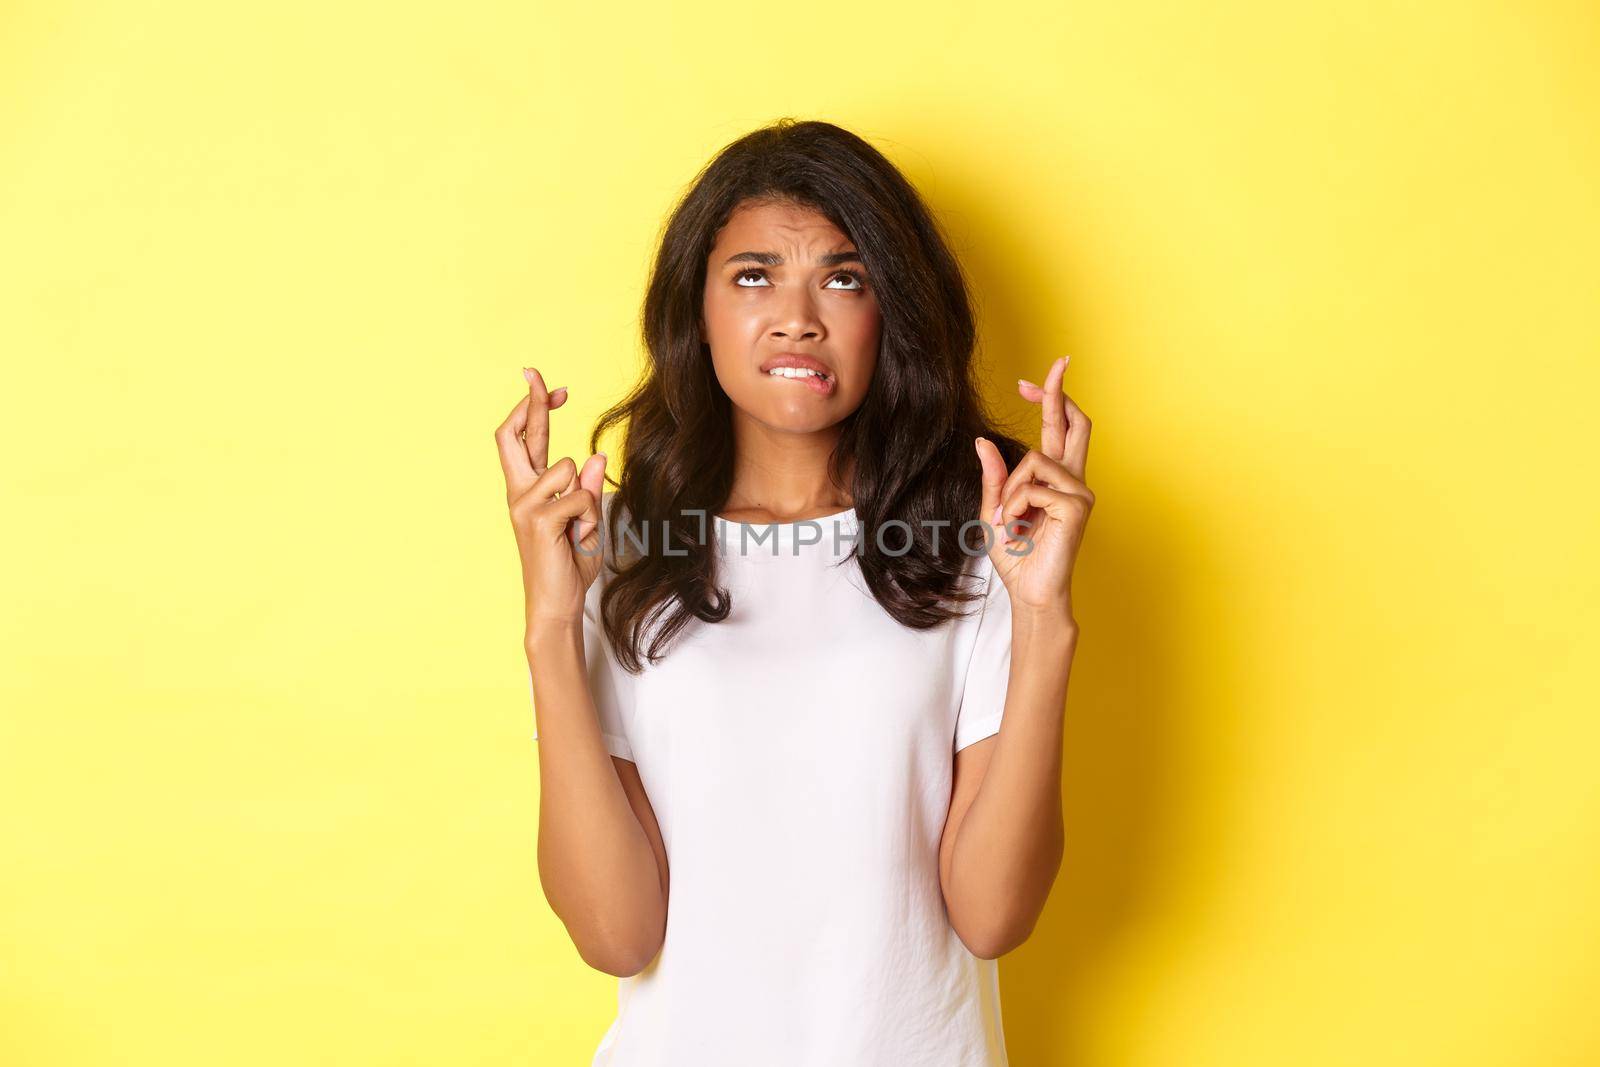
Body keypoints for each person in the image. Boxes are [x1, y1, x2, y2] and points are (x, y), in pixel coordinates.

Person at [493, 118, 1094, 1067]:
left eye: (844, 278)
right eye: (753, 275)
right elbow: (616, 934)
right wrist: (550, 626)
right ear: (696, 311)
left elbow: (992, 915)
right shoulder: (622, 560)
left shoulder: (974, 551)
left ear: (889, 310)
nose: (797, 316)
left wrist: (1044, 618)